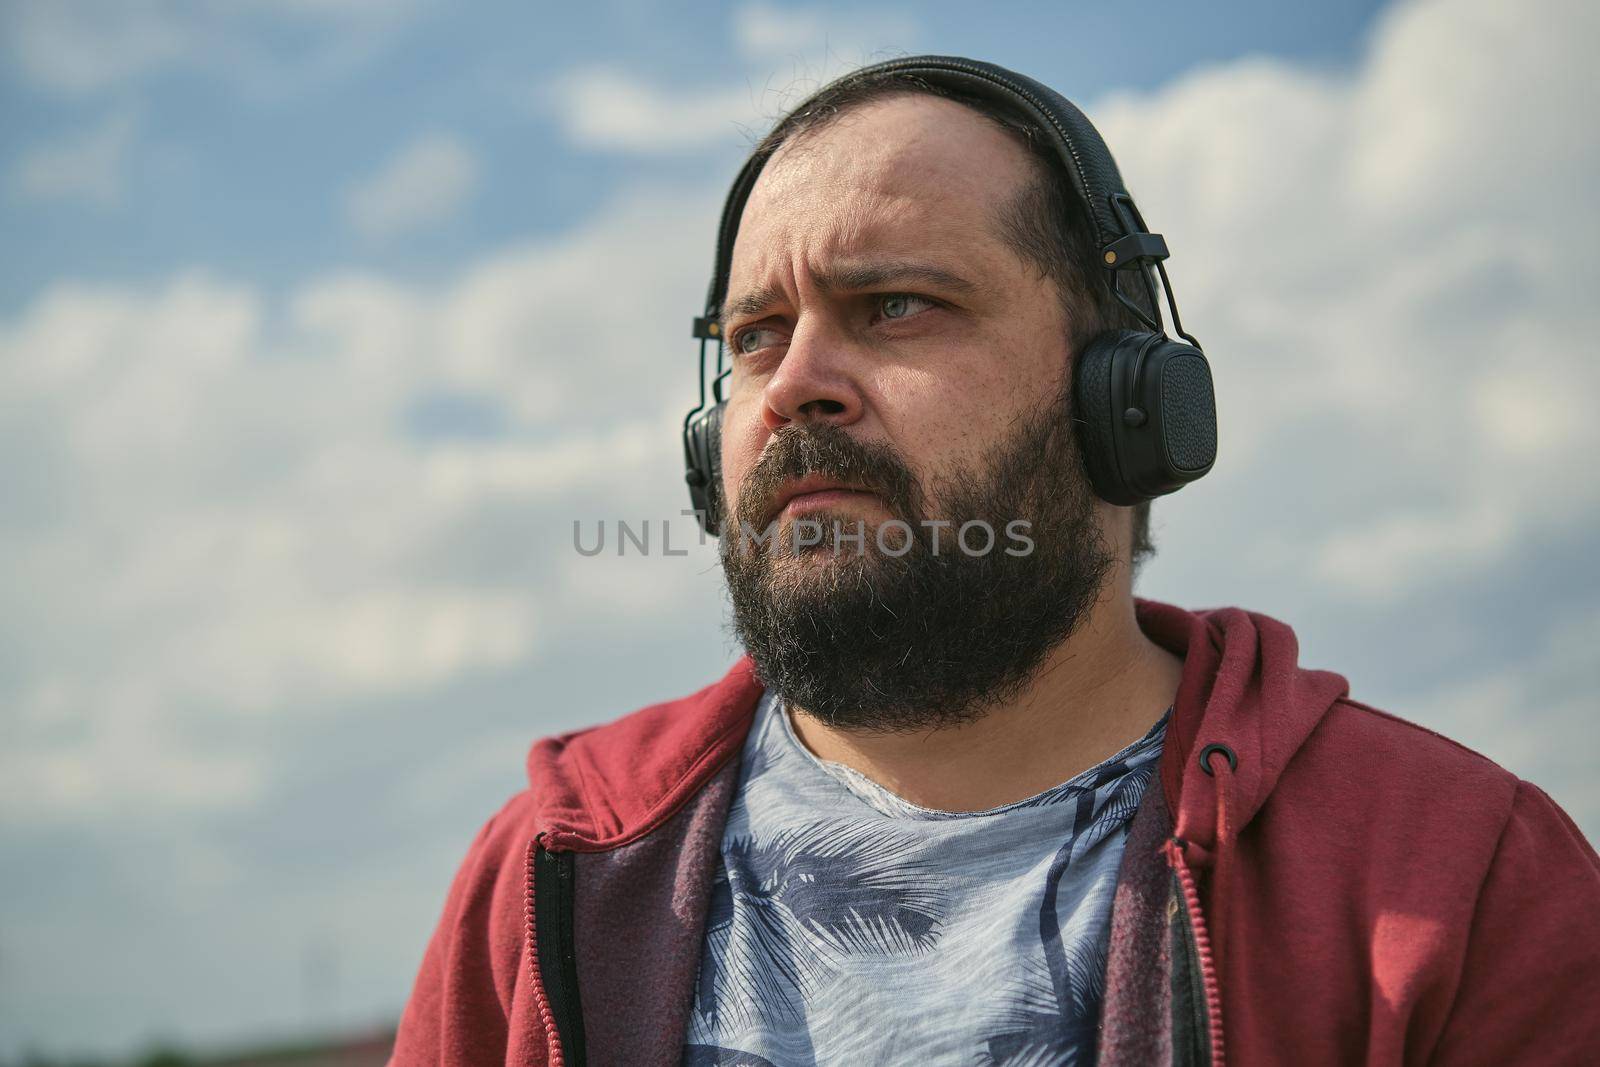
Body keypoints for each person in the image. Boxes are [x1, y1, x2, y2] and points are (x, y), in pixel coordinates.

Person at [391, 57, 1600, 1066]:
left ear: (1121, 397)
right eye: (756, 336)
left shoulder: (1455, 873)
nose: (796, 383)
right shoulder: (551, 870)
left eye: (898, 306)